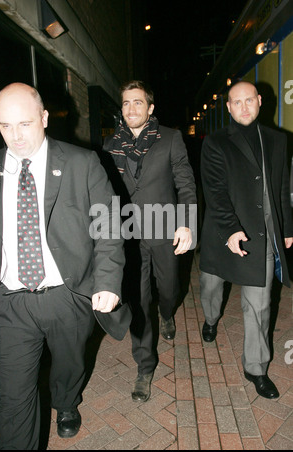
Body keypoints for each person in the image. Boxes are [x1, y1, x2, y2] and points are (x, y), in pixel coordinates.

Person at [0, 82, 127, 449]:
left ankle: (66, 403)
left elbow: (109, 227)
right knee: (14, 396)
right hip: (9, 302)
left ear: (44, 117)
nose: (15, 136)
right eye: (5, 126)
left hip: (67, 294)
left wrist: (109, 281)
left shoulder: (82, 163)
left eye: (24, 124)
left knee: (68, 364)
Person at [103, 80, 197, 402]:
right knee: (139, 302)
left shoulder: (170, 138)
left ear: (150, 107)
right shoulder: (109, 145)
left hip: (165, 230)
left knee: (169, 289)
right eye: (126, 103)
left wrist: (186, 224)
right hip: (129, 237)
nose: (131, 109)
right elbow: (105, 193)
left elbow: (185, 184)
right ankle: (145, 366)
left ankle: (168, 312)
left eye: (138, 103)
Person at [199, 81, 293, 399]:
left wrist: (288, 228)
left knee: (260, 305)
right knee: (212, 287)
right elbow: (214, 191)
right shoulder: (215, 142)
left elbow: (281, 189)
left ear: (259, 101)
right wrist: (230, 229)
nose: (243, 107)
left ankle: (256, 367)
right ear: (228, 107)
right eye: (236, 102)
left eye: (248, 100)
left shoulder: (278, 140)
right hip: (223, 233)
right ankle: (211, 318)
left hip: (262, 235)